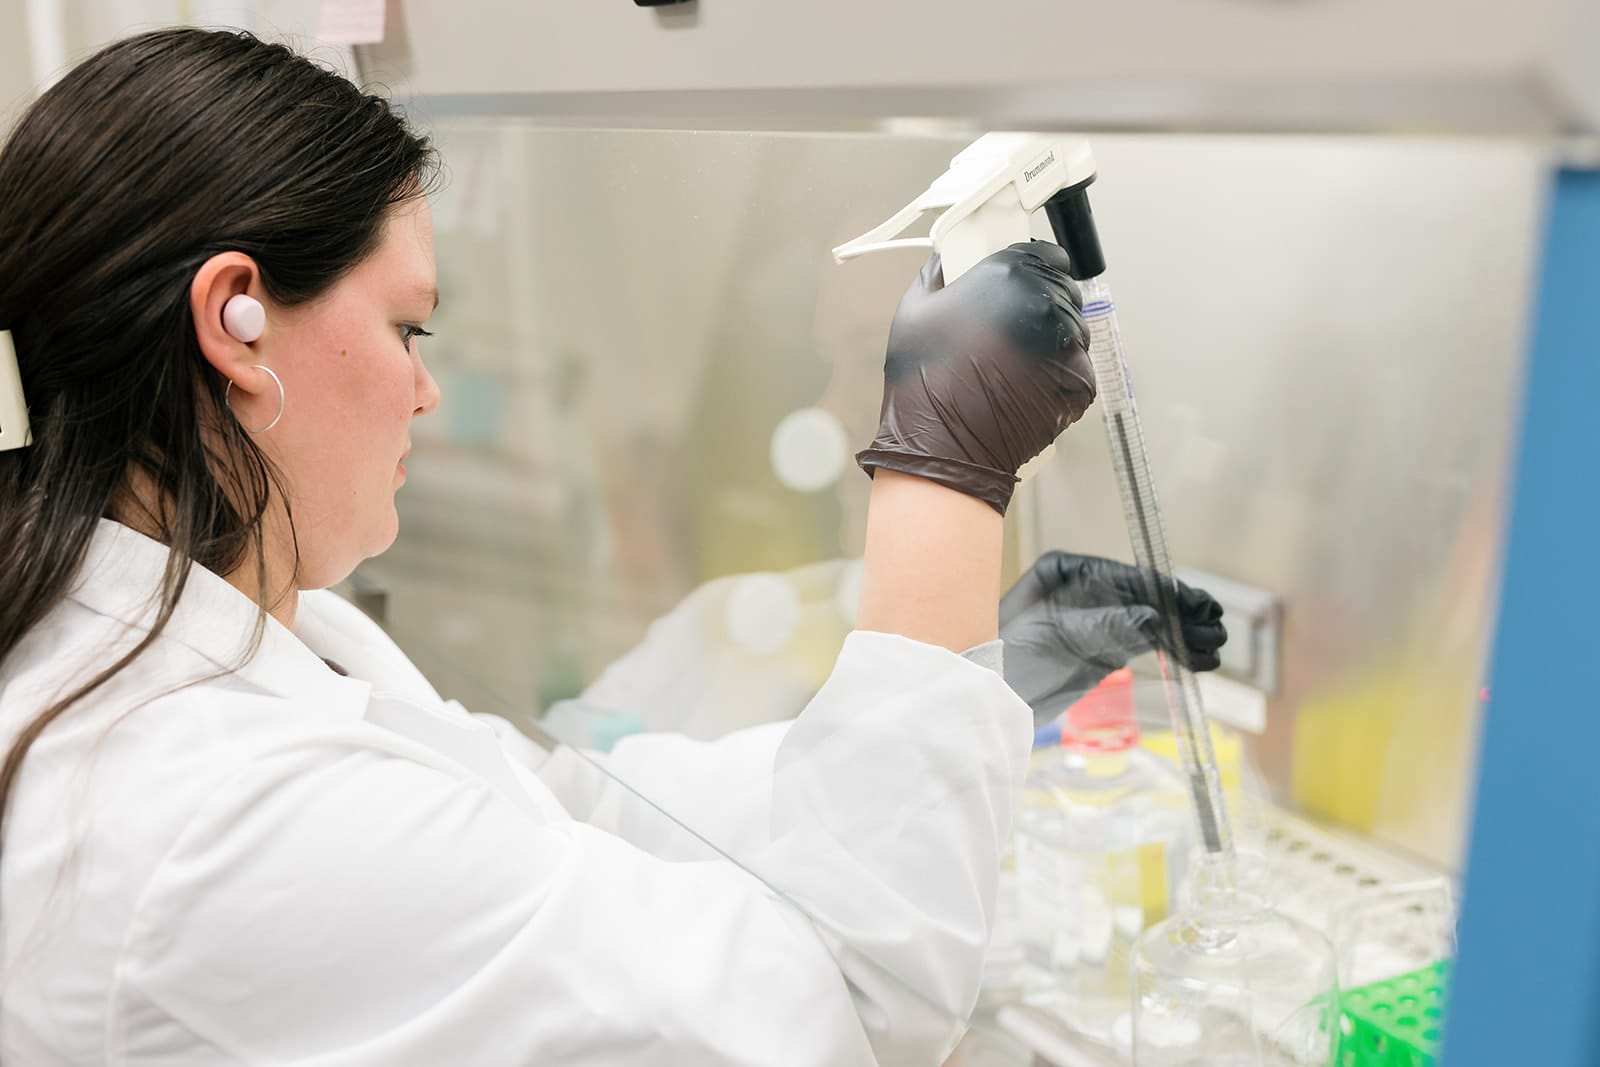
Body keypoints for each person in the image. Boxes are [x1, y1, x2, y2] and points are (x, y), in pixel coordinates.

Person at [0, 28, 1222, 1067]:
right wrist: (946, 469)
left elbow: (582, 813)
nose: (425, 392)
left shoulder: (262, 630)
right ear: (236, 319)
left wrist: (976, 673)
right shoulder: (214, 814)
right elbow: (849, 1004)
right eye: (406, 325)